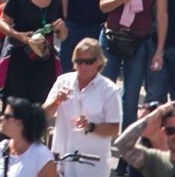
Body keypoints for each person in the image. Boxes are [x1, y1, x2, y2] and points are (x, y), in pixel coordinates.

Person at [44, 37, 122, 177]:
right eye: (79, 61)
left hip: (93, 165)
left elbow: (114, 129)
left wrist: (91, 126)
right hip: (63, 161)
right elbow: (44, 114)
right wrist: (56, 101)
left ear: (98, 62)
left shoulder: (109, 90)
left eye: (88, 62)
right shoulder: (63, 81)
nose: (83, 66)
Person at [0, 98, 60, 177]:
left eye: (7, 116)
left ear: (19, 122)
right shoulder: (2, 148)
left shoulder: (41, 155)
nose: (1, 118)